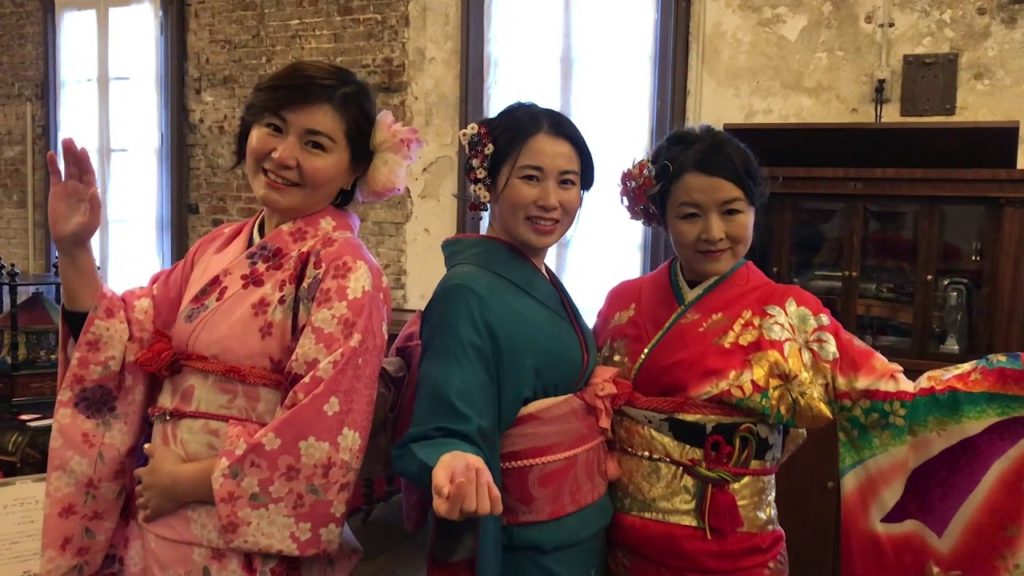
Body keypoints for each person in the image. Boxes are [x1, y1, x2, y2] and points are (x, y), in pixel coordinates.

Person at [40, 60, 422, 575]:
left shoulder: (347, 270)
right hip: (159, 522)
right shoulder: (216, 248)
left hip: (241, 536)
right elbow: (120, 337)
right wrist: (76, 249)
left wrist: (185, 482)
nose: (283, 155)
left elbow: (323, 435)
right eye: (274, 127)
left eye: (315, 143)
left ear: (354, 169)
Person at [595, 125, 1024, 575]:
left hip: (735, 550)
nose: (713, 232)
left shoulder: (790, 313)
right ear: (661, 215)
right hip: (626, 545)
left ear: (755, 210)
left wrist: (1008, 387)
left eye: (731, 211)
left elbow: (896, 401)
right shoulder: (623, 304)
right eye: (689, 215)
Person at [391, 102, 615, 575]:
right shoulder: (468, 291)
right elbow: (450, 422)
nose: (551, 199)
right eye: (531, 177)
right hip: (526, 540)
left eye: (568, 182)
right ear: (487, 183)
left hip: (581, 528)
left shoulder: (540, 279)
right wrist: (453, 456)